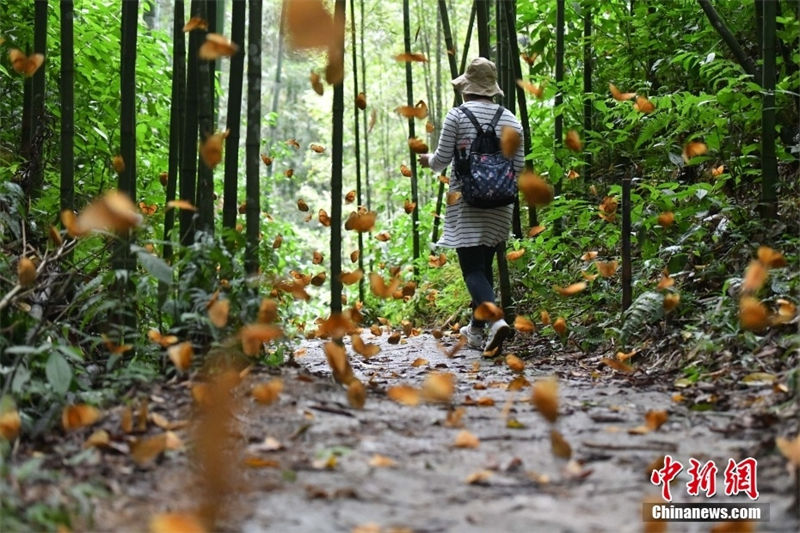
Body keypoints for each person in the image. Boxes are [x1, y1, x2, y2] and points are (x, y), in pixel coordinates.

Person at [418, 57, 524, 354]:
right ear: (491, 89)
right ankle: (476, 330)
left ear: (467, 88)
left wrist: (427, 161)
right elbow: (519, 165)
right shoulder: (510, 119)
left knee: (471, 270)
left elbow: (440, 161)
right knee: (484, 267)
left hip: (466, 201)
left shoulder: (457, 116)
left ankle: (494, 320)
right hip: (501, 203)